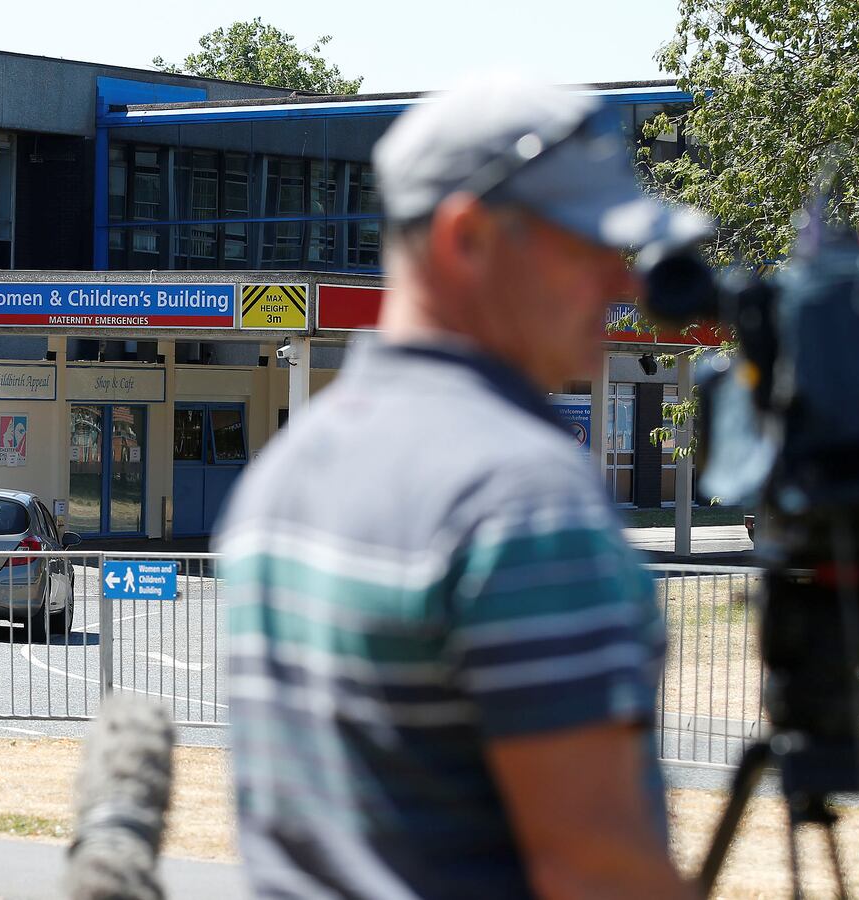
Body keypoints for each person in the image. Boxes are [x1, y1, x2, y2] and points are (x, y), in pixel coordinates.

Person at [218, 74, 709, 899]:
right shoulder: (522, 498)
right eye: (590, 247)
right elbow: (599, 871)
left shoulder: (283, 473)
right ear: (466, 238)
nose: (623, 285)